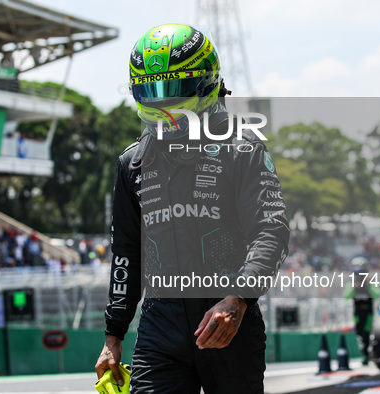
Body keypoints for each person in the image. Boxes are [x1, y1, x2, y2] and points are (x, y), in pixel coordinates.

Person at [95, 24, 290, 393]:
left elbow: (272, 230)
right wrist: (113, 334)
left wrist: (238, 299)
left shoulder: (242, 148)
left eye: (171, 89)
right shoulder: (131, 163)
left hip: (228, 320)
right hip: (159, 326)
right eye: (150, 90)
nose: (161, 101)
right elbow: (126, 254)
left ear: (206, 83)